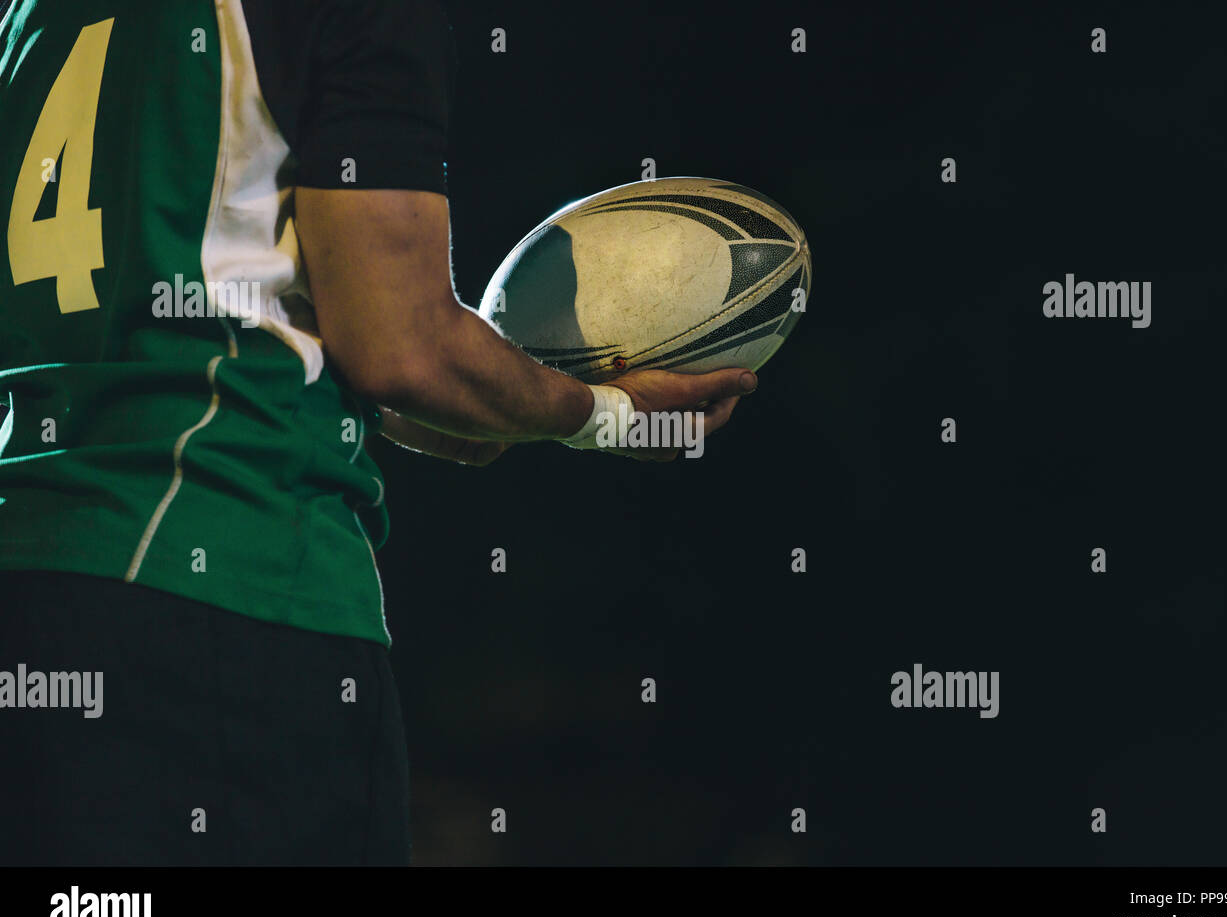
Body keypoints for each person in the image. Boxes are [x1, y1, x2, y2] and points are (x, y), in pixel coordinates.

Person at [0, 0, 754, 865]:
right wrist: (606, 414)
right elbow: (401, 348)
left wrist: (485, 399)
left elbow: (276, 317)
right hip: (223, 585)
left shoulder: (34, 16)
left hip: (33, 584)